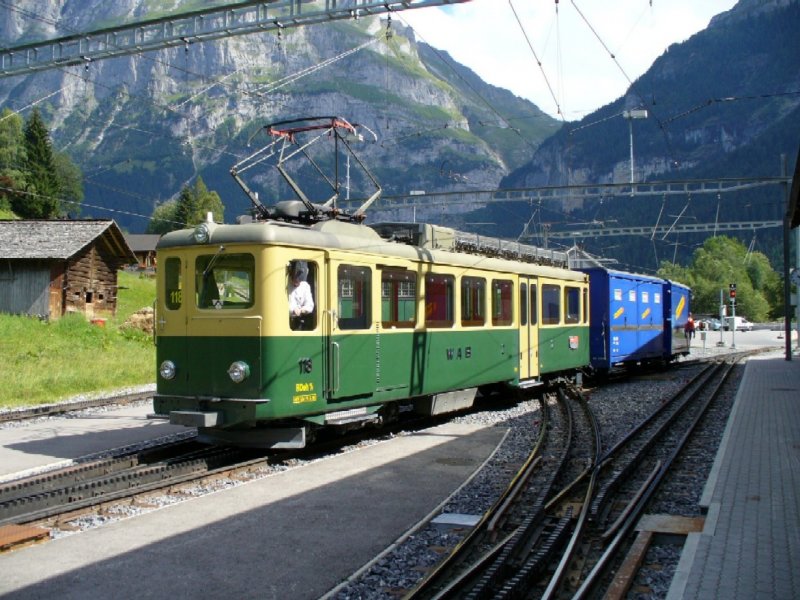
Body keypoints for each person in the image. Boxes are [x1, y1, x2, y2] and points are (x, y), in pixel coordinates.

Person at [289, 261, 314, 329]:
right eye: (295, 279)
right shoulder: (286, 285)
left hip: (299, 321)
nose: (297, 282)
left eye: (299, 280)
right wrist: (293, 309)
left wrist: (303, 309)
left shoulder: (305, 286)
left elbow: (310, 305)